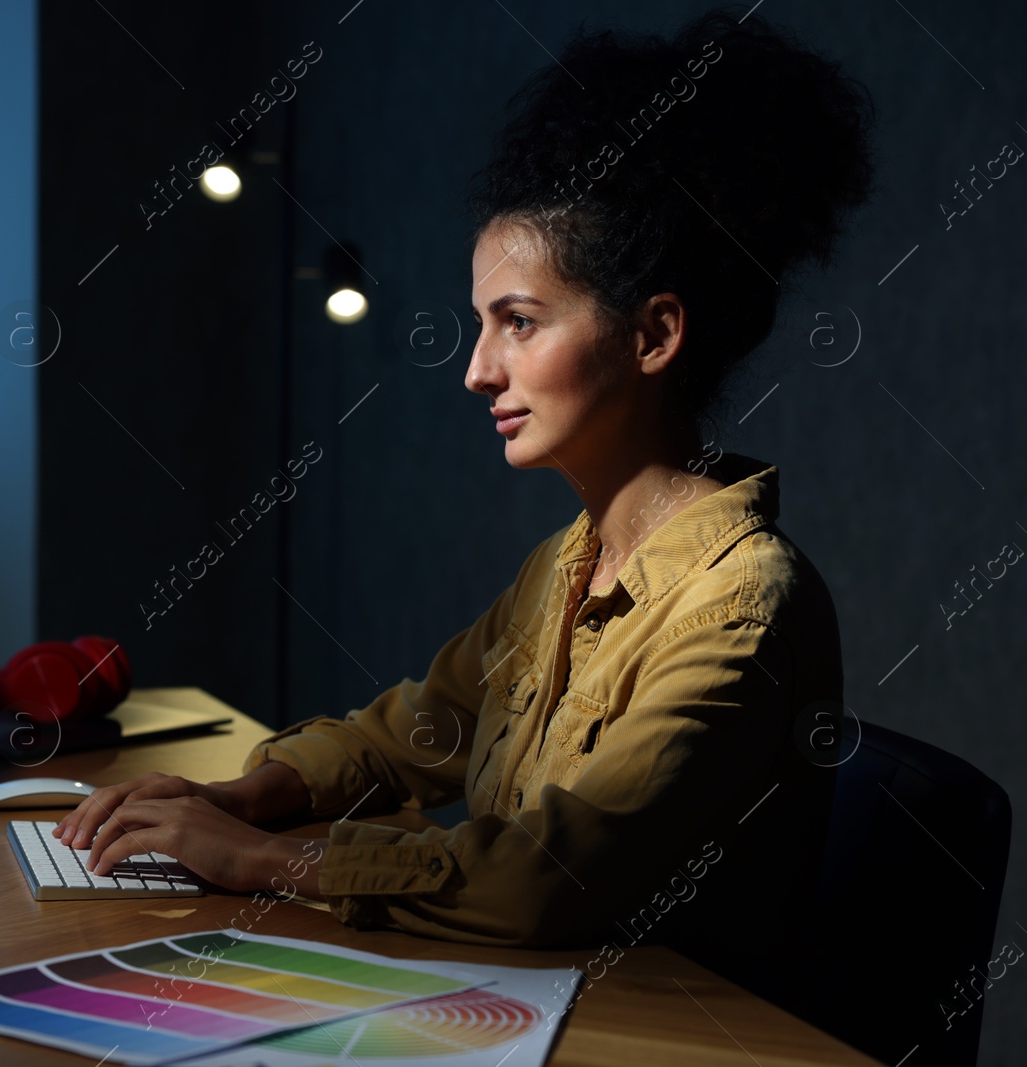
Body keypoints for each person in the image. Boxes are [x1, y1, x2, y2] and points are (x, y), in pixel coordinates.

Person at [56, 6, 874, 990]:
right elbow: (414, 730)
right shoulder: (566, 563)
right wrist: (240, 795)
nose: (477, 369)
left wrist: (262, 861)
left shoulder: (741, 604)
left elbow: (538, 881)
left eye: (518, 323)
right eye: (481, 323)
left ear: (653, 336)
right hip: (526, 1002)